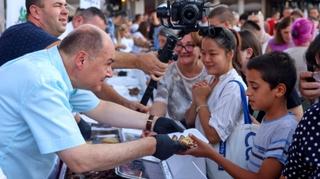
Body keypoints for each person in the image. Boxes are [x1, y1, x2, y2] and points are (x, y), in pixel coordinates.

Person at [0, 25, 185, 179]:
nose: (110, 73)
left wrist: (154, 122)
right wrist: (152, 146)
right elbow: (80, 159)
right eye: (108, 63)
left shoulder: (59, 68)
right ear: (82, 59)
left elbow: (100, 108)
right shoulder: (42, 81)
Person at [0, 1, 166, 112]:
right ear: (35, 11)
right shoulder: (23, 33)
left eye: (66, 5)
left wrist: (126, 104)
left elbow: (89, 77)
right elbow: (93, 58)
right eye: (58, 5)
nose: (66, 11)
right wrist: (138, 61)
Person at [184, 52, 298, 179]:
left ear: (279, 90)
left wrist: (211, 154)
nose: (248, 92)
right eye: (248, 85)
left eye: (254, 87)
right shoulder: (270, 120)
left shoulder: (284, 128)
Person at [184, 26, 246, 178]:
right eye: (203, 53)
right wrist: (197, 100)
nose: (206, 59)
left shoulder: (233, 87)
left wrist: (201, 101)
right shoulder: (210, 78)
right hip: (205, 166)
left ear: (230, 54)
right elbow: (189, 120)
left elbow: (213, 135)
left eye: (212, 54)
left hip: (224, 171)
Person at [150, 31, 207, 127]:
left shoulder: (209, 74)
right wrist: (151, 124)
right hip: (176, 130)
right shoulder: (168, 71)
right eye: (179, 45)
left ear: (200, 49)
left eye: (190, 45)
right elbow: (160, 101)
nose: (183, 50)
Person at [285, 18, 315, 97]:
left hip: (289, 100)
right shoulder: (315, 55)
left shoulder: (285, 54)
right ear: (311, 34)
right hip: (311, 99)